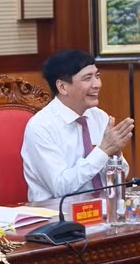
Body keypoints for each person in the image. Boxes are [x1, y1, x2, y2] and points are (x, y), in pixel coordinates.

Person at [21, 50, 133, 201]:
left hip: (104, 210)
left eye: (97, 76)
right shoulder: (41, 127)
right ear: (62, 87)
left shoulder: (99, 117)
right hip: (58, 217)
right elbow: (60, 187)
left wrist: (114, 154)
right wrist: (103, 151)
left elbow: (121, 176)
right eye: (87, 78)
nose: (97, 84)